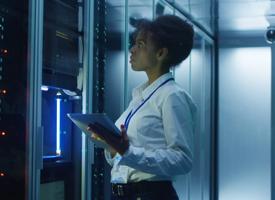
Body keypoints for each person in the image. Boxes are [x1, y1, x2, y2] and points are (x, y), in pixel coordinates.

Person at [88, 14, 197, 200]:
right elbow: (126, 158)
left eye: (140, 45)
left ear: (161, 53)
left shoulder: (172, 96)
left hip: (150, 195)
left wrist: (127, 151)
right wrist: (113, 147)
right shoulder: (140, 96)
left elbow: (182, 160)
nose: (132, 50)